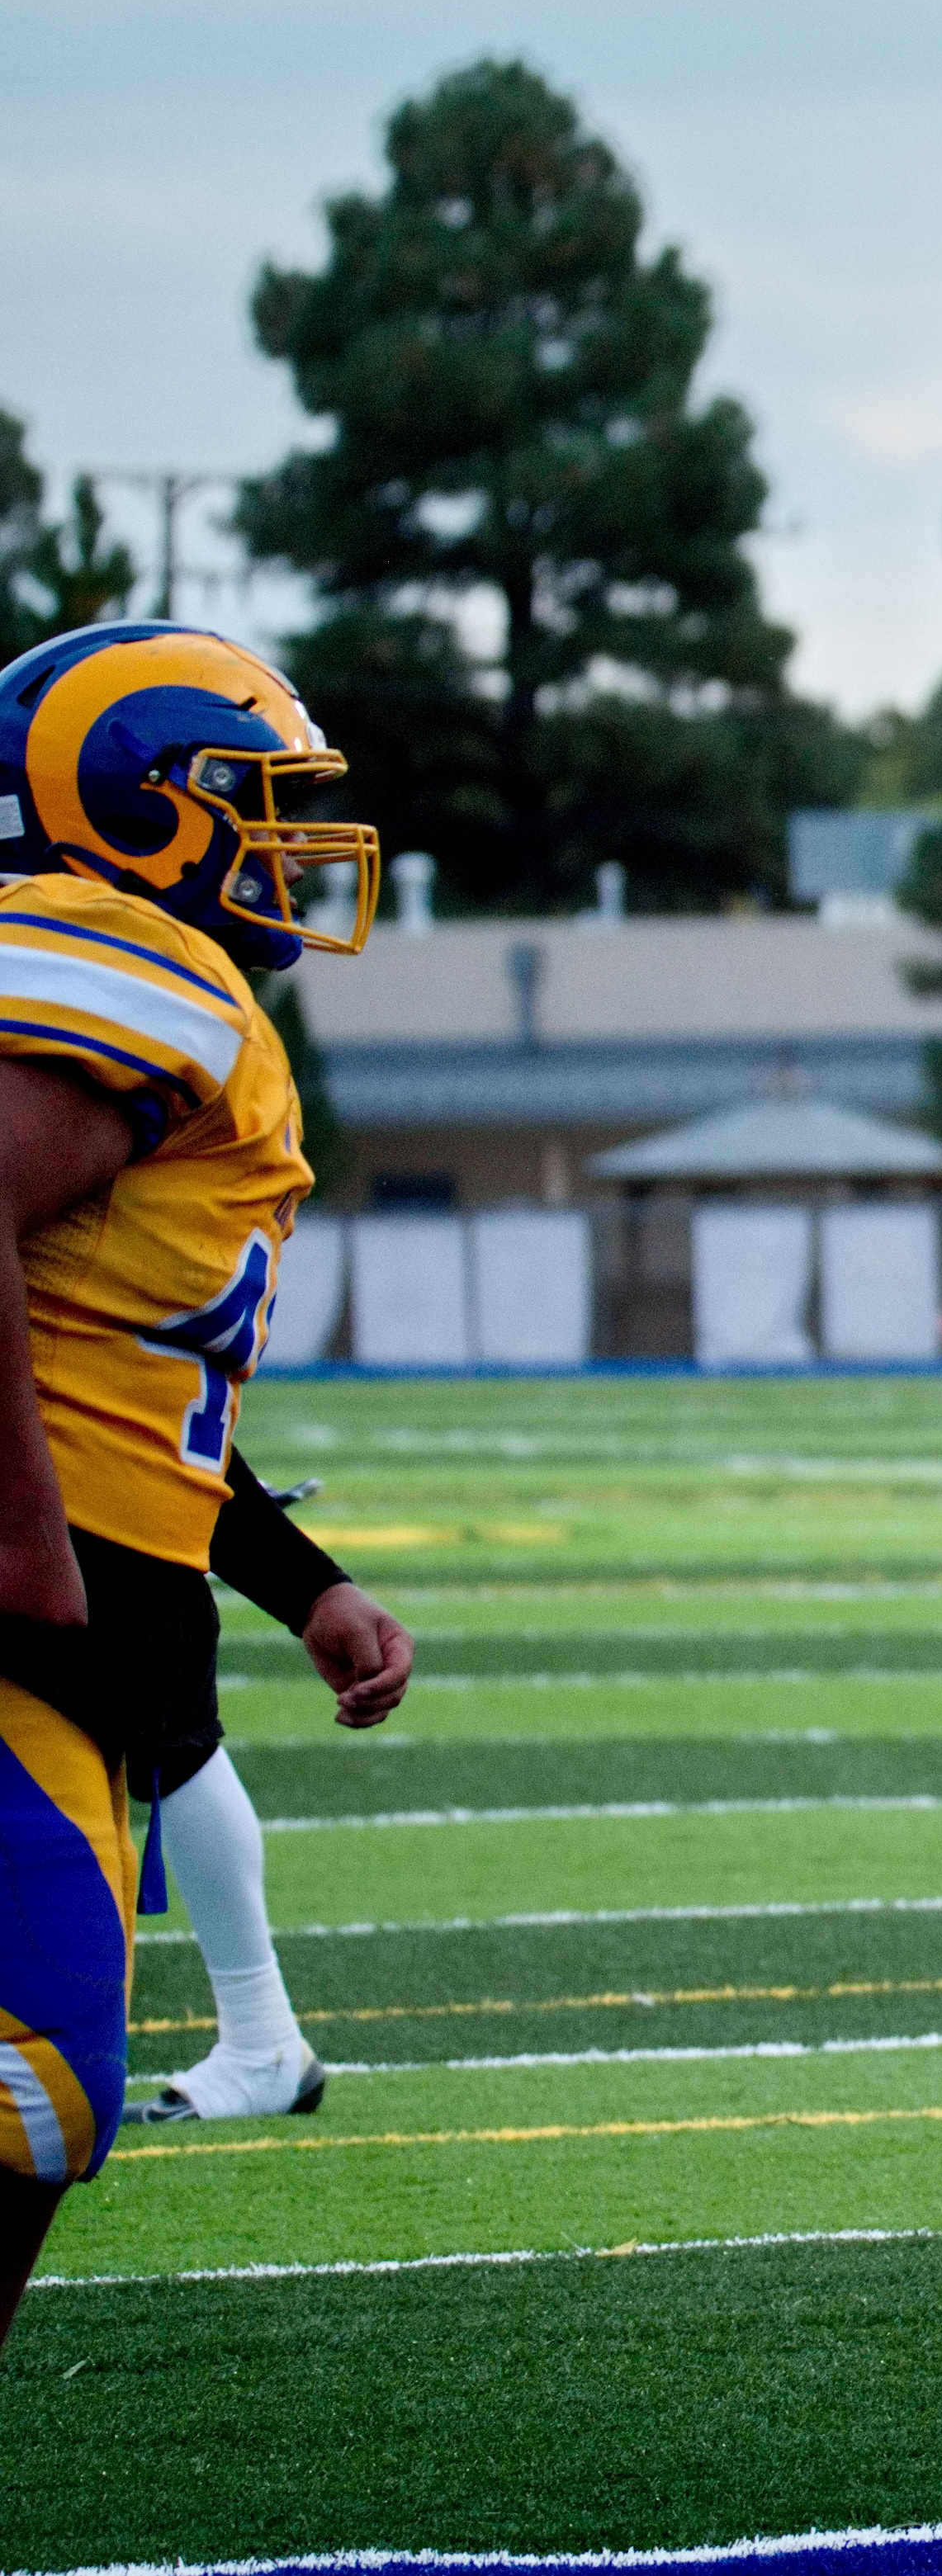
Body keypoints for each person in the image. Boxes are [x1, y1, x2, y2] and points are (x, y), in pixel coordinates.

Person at [0, 626, 389, 2370]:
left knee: (46, 2098)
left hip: (99, 1593)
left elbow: (132, 1386)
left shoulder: (175, 991)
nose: (292, 842)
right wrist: (25, 1559)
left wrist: (301, 1580)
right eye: (254, 801)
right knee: (33, 2085)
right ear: (138, 810)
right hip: (37, 1602)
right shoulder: (123, 958)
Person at [118, 1449, 415, 2125]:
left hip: (114, 1537)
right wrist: (313, 1588)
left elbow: (137, 1426)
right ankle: (260, 2037)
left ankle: (260, 2038)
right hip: (131, 1520)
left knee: (170, 1738)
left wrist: (313, 1589)